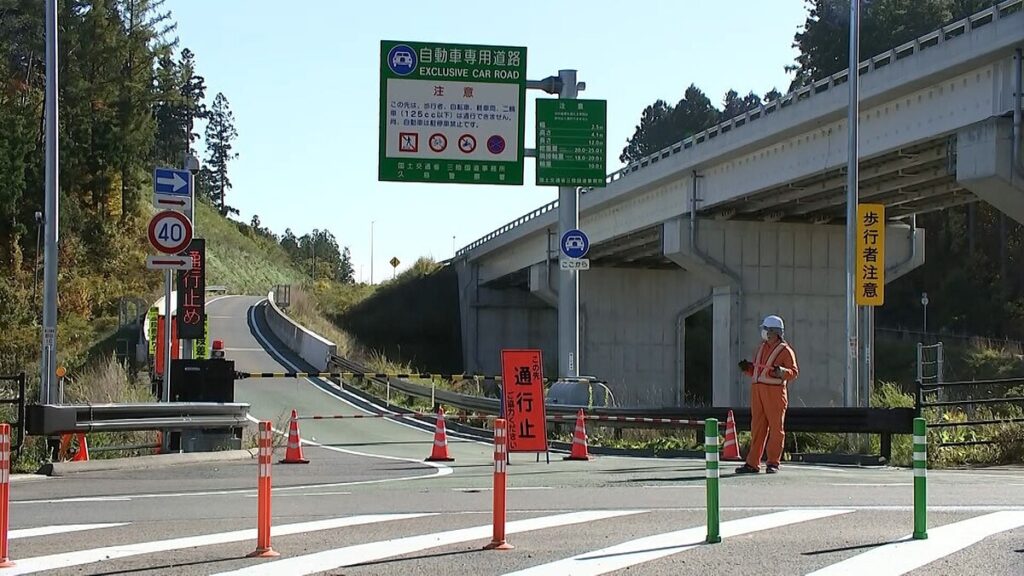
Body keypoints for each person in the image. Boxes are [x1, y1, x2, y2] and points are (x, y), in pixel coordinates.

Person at [735, 315, 799, 474]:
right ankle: (752, 463)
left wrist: (782, 372)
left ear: (774, 332)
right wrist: (747, 368)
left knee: (776, 428)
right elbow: (758, 370)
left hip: (775, 393)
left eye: (765, 329)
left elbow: (793, 372)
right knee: (757, 428)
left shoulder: (786, 351)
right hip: (758, 392)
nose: (763, 332)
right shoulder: (761, 347)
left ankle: (773, 462)